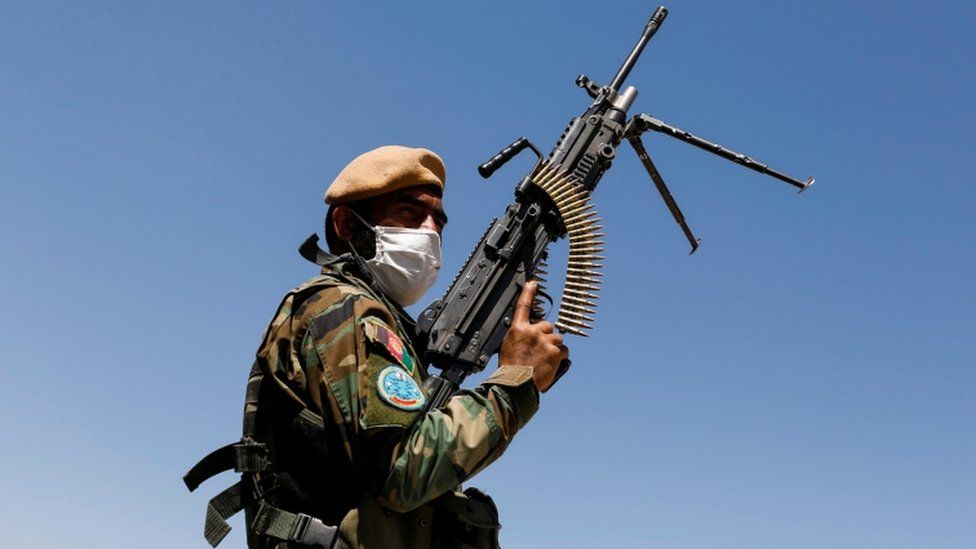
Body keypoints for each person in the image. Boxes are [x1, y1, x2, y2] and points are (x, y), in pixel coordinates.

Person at [186, 145, 568, 549]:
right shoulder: (342, 309)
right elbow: (403, 471)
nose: (429, 233)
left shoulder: (378, 323)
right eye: (409, 212)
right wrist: (515, 383)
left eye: (437, 222)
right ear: (348, 224)